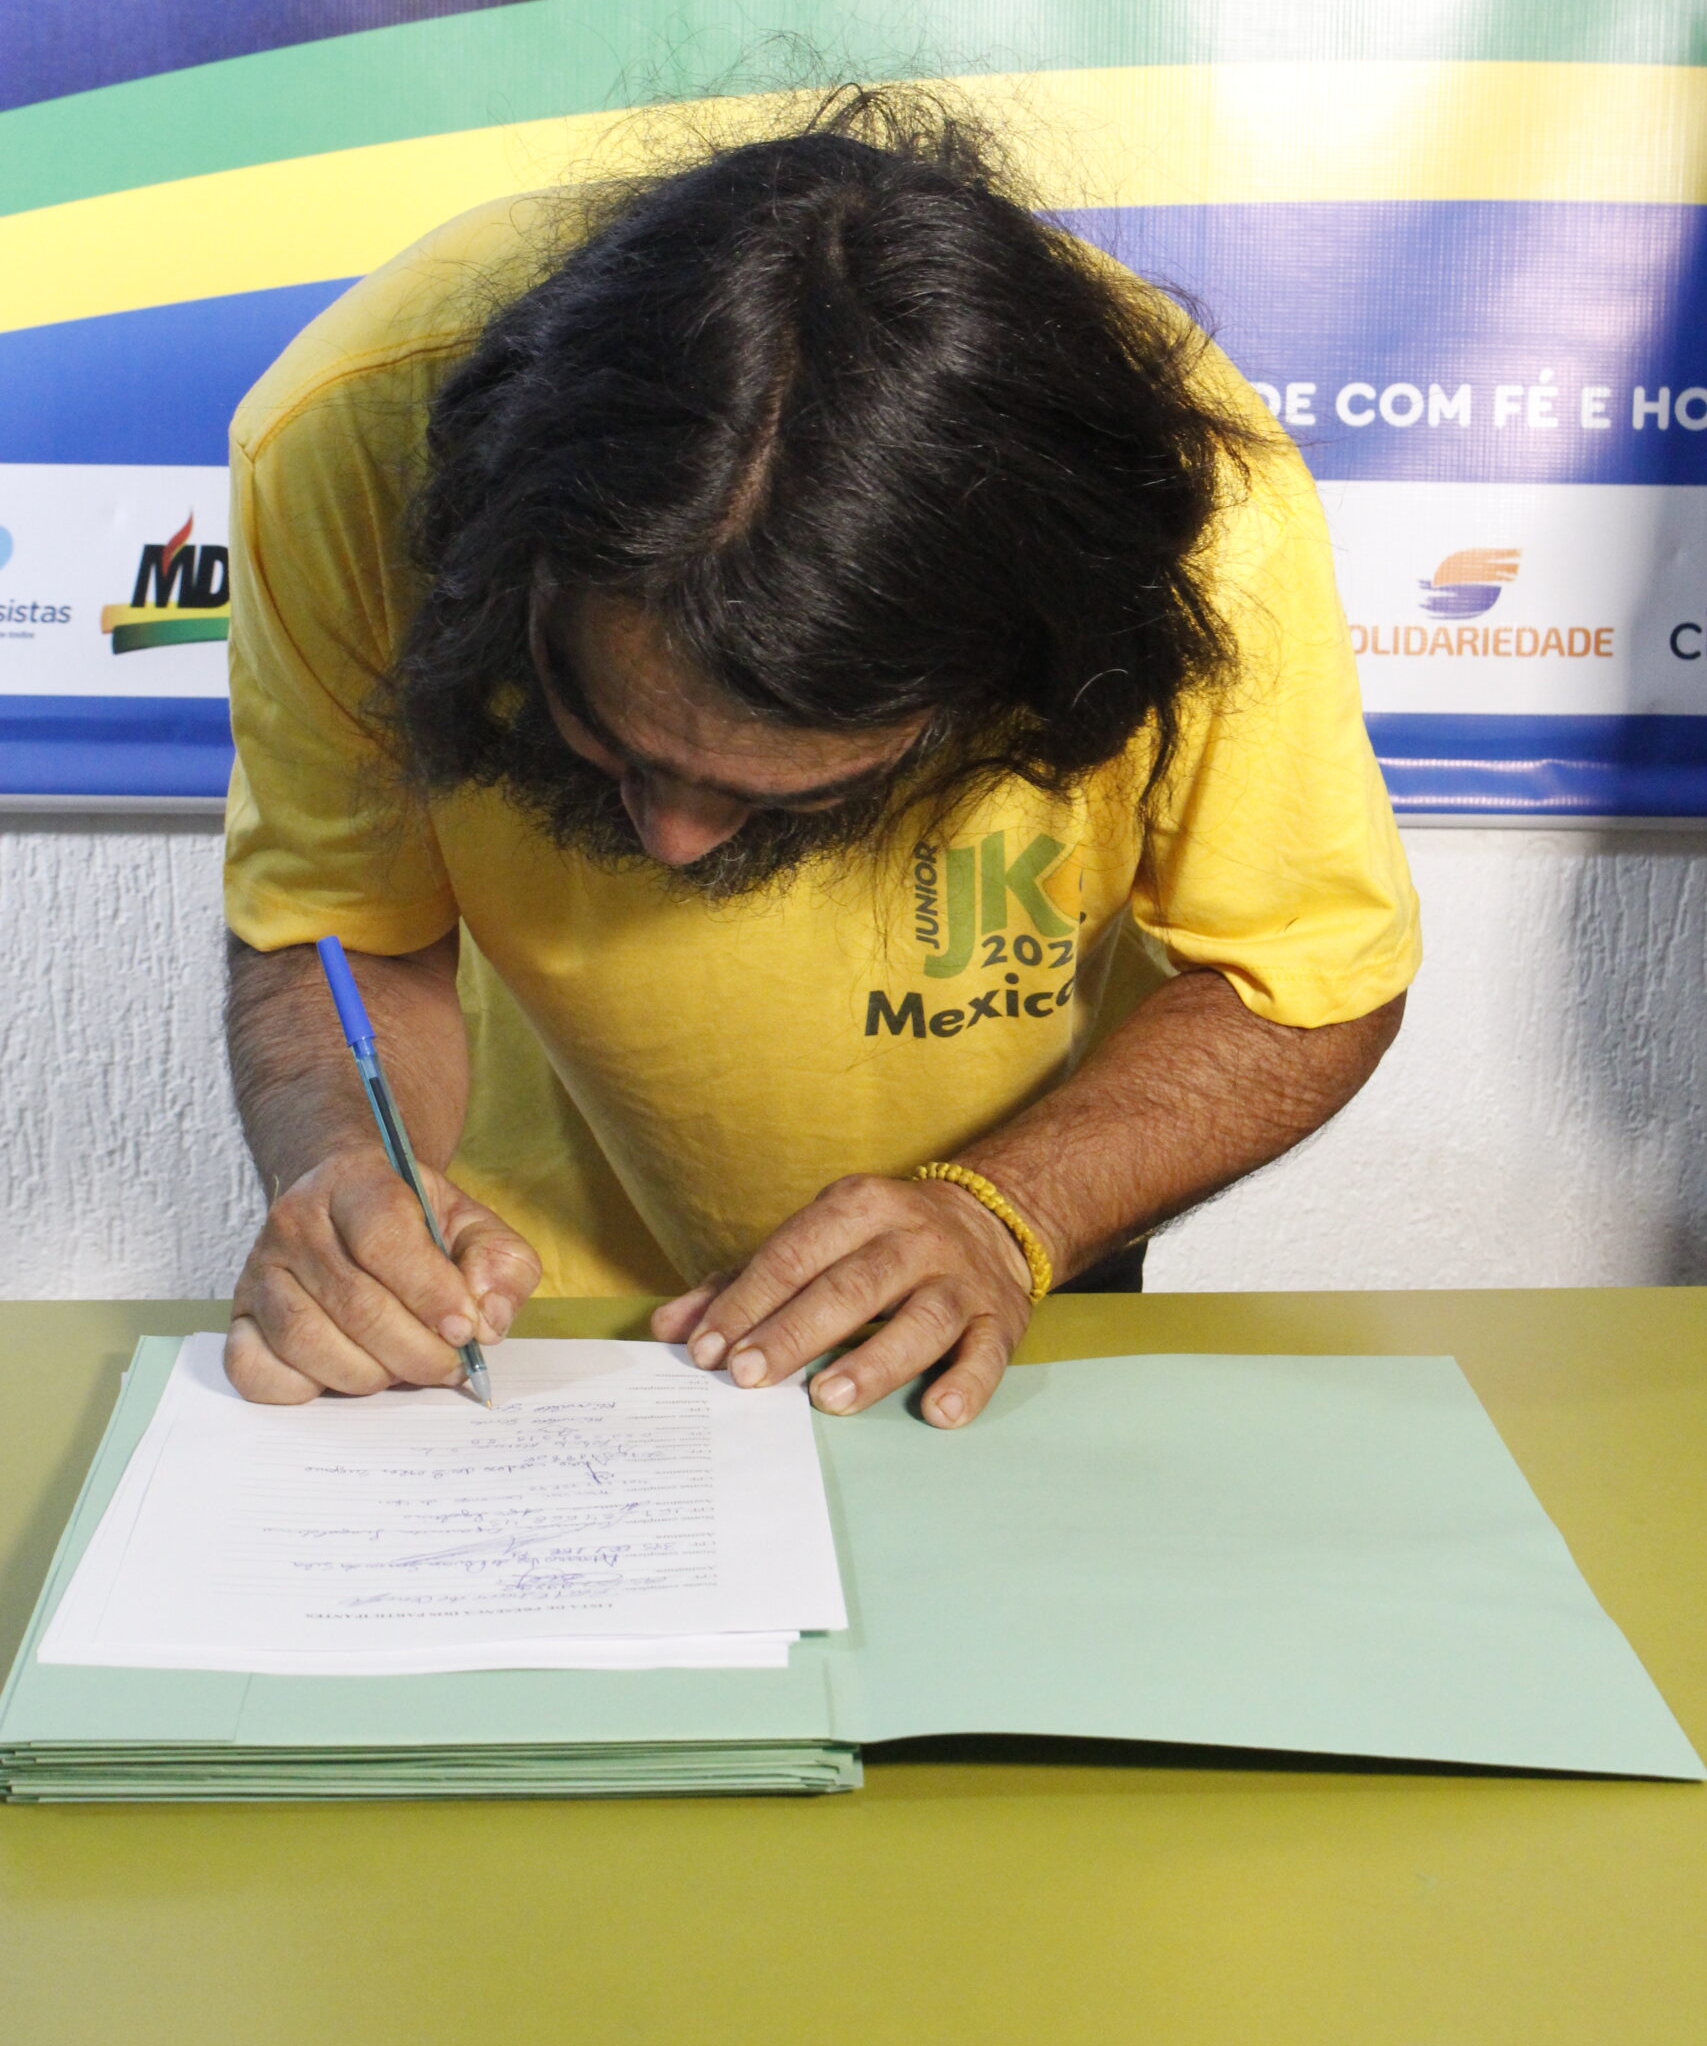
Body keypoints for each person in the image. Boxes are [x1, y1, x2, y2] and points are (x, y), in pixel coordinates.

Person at [220, 94, 1419, 1429]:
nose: (673, 843)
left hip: (993, 1287)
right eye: (609, 738)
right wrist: (341, 1169)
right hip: (526, 1320)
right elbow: (343, 935)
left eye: (776, 789)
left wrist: (1007, 1214)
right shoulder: (352, 441)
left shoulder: (1192, 517)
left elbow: (1301, 981)